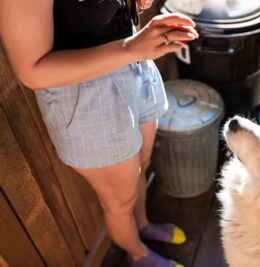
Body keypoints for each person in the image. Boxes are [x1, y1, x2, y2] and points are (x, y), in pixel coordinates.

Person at [0, 0, 198, 266]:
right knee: (120, 201)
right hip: (86, 94)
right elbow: (32, 71)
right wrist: (130, 48)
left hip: (132, 65)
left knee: (143, 163)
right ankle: (137, 253)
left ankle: (143, 224)